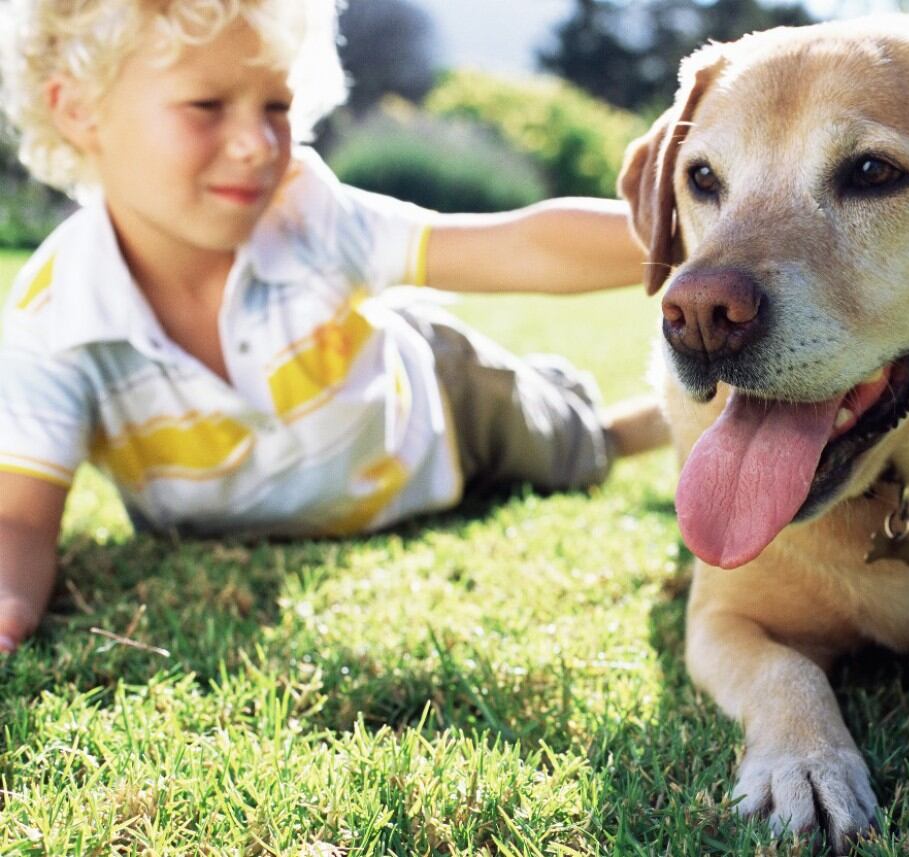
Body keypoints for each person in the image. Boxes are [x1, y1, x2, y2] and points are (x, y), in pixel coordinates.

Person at [0, 0, 668, 652]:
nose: (256, 142)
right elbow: (18, 517)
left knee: (569, 450)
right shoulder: (55, 317)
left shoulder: (308, 214)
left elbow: (516, 245)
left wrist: (694, 236)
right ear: (79, 111)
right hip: (335, 471)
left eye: (277, 107)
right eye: (206, 106)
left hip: (442, 406)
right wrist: (10, 604)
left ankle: (629, 424)